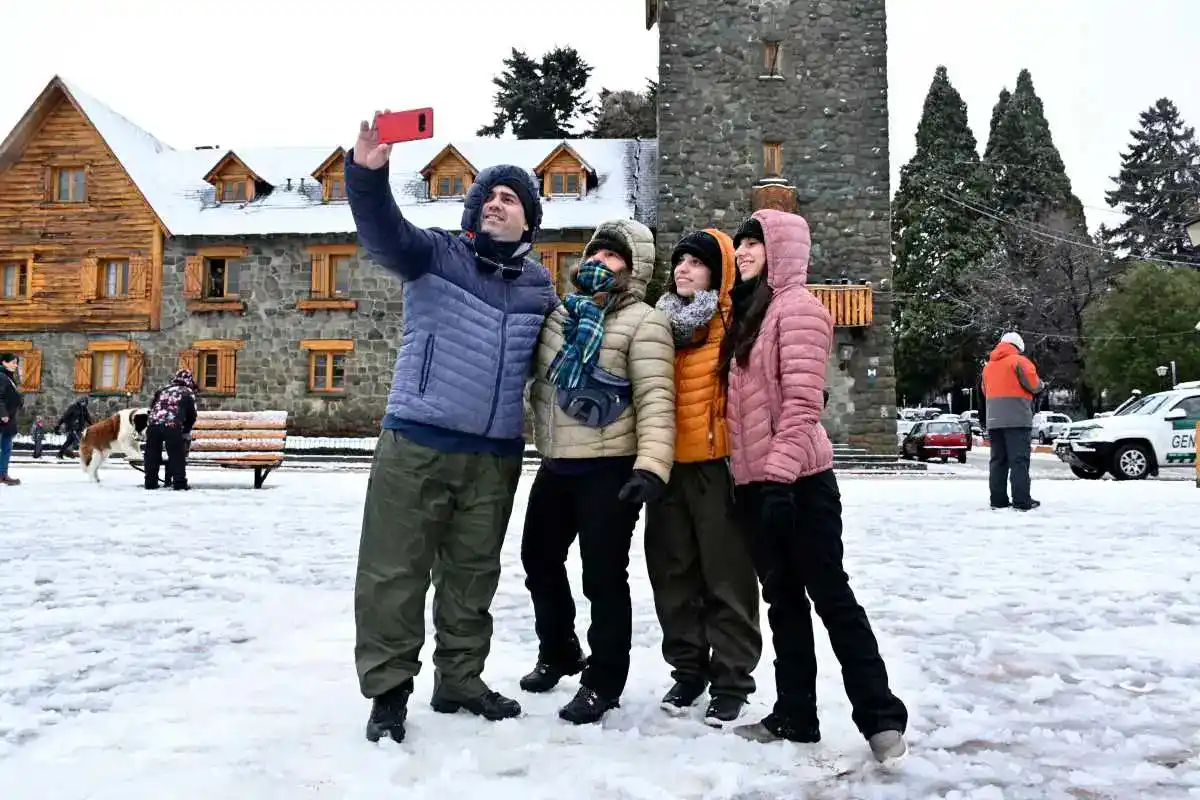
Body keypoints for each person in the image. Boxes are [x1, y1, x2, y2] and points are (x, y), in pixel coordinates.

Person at [347, 112, 559, 745]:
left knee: (473, 574)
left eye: (510, 198)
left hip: (494, 455)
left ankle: (461, 678)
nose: (496, 203)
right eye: (488, 196)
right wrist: (367, 174)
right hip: (417, 441)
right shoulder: (435, 253)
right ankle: (388, 693)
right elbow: (382, 233)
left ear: (528, 221)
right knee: (394, 573)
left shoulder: (540, 287)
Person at [721, 211, 909, 767]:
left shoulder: (799, 308)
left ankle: (880, 717)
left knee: (831, 597)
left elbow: (803, 405)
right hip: (758, 486)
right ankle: (796, 714)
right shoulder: (751, 312)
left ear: (782, 249)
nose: (745, 251)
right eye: (741, 244)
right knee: (783, 603)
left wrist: (778, 479)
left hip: (801, 484)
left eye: (755, 242)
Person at [521, 218, 675, 725]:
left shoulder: (645, 321)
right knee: (538, 559)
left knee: (603, 577)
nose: (599, 262)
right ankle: (560, 649)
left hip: (610, 468)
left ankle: (604, 680)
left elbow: (656, 397)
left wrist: (651, 468)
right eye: (596, 253)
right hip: (557, 462)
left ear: (633, 270)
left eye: (612, 256)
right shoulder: (562, 315)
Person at [645, 229, 761, 727]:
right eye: (679, 262)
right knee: (672, 576)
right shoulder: (660, 325)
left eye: (696, 262)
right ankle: (688, 670)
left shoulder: (736, 322)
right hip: (667, 467)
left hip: (719, 468)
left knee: (727, 578)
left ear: (719, 271)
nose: (682, 269)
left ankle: (732, 681)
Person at [981, 332, 1043, 511]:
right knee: (1019, 461)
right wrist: (1042, 385)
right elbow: (1034, 384)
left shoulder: (988, 367)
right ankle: (1022, 501)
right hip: (1017, 419)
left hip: (994, 420)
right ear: (1018, 347)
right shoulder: (1019, 361)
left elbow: (986, 391)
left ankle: (998, 500)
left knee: (998, 461)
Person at [144, 369, 198, 490]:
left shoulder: (162, 390)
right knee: (176, 454)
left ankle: (150, 482)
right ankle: (179, 483)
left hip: (153, 425)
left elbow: (152, 407)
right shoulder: (187, 392)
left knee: (152, 454)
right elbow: (192, 415)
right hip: (172, 426)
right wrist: (185, 431)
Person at [0, 352, 23, 486]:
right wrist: (3, 414)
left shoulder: (8, 377)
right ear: (4, 362)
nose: (15, 365)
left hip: (8, 418)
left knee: (6, 447)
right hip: (3, 419)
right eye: (13, 362)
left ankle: (3, 474)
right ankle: (2, 474)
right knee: (5, 447)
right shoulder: (2, 377)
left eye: (16, 363)